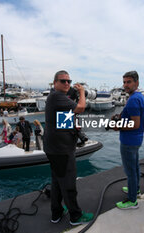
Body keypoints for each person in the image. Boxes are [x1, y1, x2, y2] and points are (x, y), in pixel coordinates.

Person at [43, 70, 93, 225]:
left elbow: (63, 122)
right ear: (55, 82)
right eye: (63, 81)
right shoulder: (57, 96)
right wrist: (83, 92)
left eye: (69, 81)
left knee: (57, 182)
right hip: (62, 150)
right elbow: (81, 108)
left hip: (53, 147)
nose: (66, 84)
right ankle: (76, 217)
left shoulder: (56, 98)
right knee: (69, 184)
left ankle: (56, 214)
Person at [114, 71, 144, 210]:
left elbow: (135, 124)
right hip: (136, 140)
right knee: (135, 167)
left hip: (129, 141)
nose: (125, 85)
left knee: (130, 171)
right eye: (124, 82)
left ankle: (132, 200)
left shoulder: (133, 100)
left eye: (129, 82)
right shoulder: (138, 96)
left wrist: (117, 126)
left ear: (136, 83)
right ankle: (136, 189)